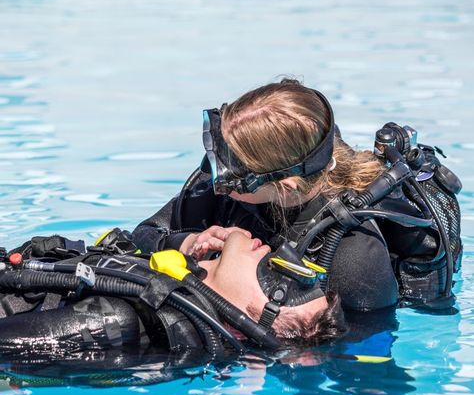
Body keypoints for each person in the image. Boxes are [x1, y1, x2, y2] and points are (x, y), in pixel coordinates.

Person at [132, 79, 462, 312]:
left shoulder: (353, 255)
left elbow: (363, 364)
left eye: (233, 171)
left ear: (284, 185)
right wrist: (186, 243)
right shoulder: (236, 189)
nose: (218, 178)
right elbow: (143, 236)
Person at [0, 231, 346, 362]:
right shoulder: (164, 282)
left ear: (244, 323)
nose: (277, 252)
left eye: (280, 279)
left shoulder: (115, 322)